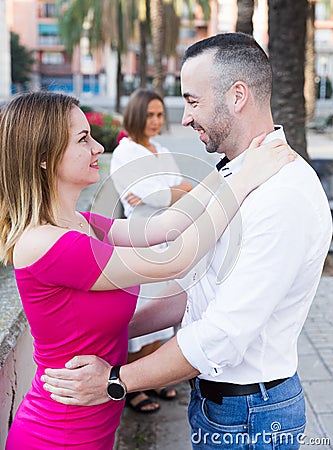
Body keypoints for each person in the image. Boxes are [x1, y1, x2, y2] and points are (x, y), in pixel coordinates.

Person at [41, 33, 333, 450]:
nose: (184, 119)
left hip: (251, 417)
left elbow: (222, 335)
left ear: (237, 96)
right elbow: (195, 292)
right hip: (223, 407)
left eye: (193, 102)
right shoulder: (238, 174)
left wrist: (113, 380)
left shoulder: (281, 194)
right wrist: (109, 336)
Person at [0, 91, 293, 450]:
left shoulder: (82, 224)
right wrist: (244, 181)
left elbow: (166, 224)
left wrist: (232, 170)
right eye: (83, 139)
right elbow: (173, 259)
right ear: (43, 158)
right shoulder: (46, 243)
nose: (98, 149)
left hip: (92, 426)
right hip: (58, 434)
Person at [110, 88, 192, 413]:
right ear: (136, 115)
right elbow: (155, 197)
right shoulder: (125, 153)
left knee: (165, 312)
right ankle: (134, 386)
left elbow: (170, 193)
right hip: (142, 242)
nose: (156, 121)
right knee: (143, 316)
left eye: (160, 115)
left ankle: (158, 377)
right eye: (150, 115)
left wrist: (163, 192)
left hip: (170, 240)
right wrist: (172, 191)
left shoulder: (161, 149)